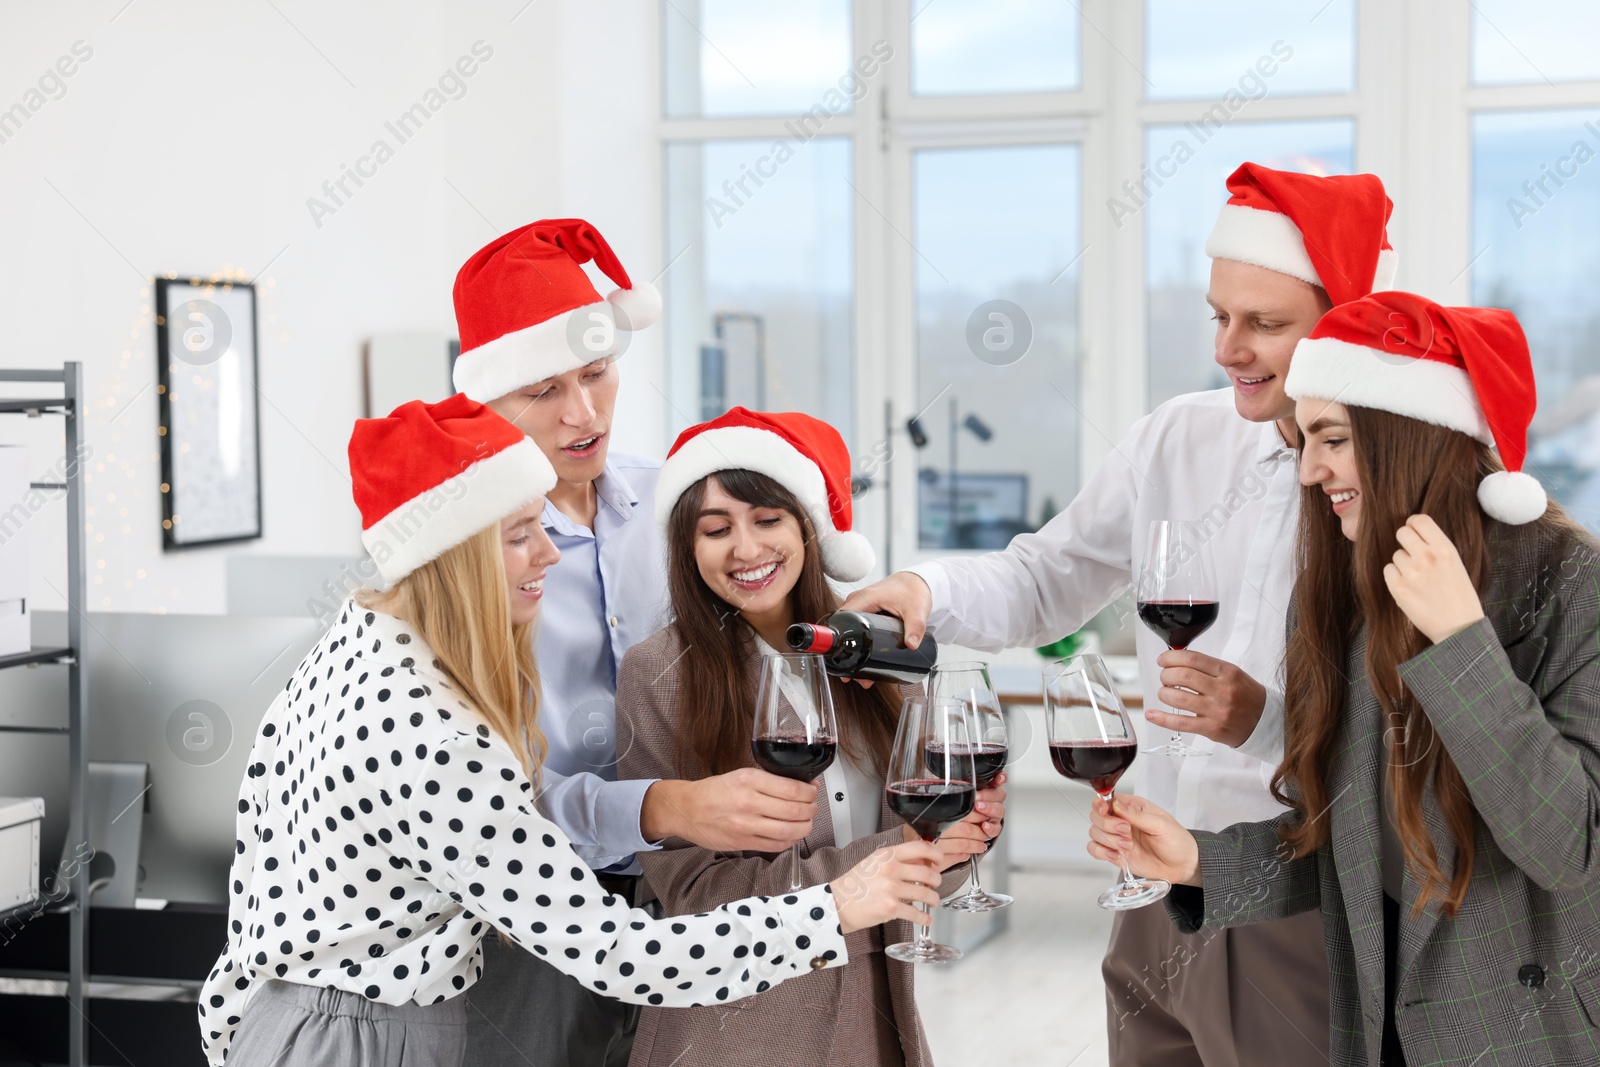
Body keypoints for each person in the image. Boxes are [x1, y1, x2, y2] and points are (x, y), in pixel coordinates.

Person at [197, 395, 948, 1067]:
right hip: (368, 1042)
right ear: (455, 556)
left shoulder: (350, 642)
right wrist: (836, 905)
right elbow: (617, 950)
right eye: (522, 533)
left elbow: (253, 873)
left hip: (285, 1024)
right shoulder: (440, 738)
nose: (551, 554)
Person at [842, 163, 1399, 1064]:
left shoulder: (1388, 479)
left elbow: (1404, 736)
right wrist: (927, 593)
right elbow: (1046, 577)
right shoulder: (1178, 436)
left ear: (1343, 324)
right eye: (1219, 316)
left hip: (1290, 894)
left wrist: (1262, 719)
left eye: (1265, 324)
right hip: (1152, 891)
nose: (1229, 348)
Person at [1089, 291, 1600, 1067]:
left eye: (1331, 438)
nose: (1307, 469)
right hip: (1375, 1015)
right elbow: (1337, 841)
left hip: (1519, 1030)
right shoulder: (1341, 592)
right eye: (1305, 440)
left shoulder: (1572, 583)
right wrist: (1197, 861)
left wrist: (1459, 641)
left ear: (1409, 439)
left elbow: (1568, 845)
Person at [448, 220, 821, 1065]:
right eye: (543, 389)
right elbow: (490, 800)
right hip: (536, 924)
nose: (583, 414)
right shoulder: (465, 564)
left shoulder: (683, 508)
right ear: (485, 401)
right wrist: (663, 807)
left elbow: (783, 640)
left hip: (707, 896)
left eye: (596, 373)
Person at [614, 408, 1007, 1067]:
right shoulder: (660, 674)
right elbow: (692, 894)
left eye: (767, 520)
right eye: (716, 530)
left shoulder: (872, 651)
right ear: (688, 547)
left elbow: (920, 832)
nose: (745, 549)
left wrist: (963, 835)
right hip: (740, 1028)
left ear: (807, 527)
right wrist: (891, 855)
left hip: (878, 1010)